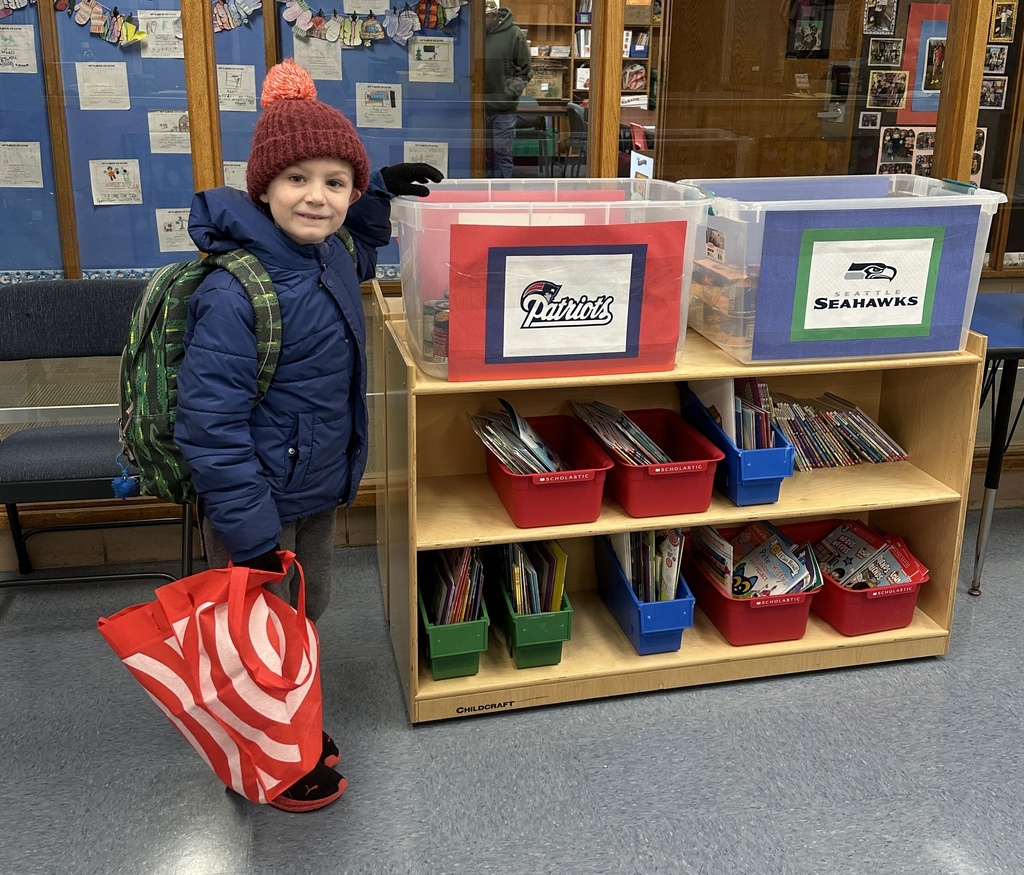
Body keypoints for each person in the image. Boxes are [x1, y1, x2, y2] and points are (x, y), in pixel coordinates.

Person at [174, 57, 441, 812]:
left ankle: (287, 727)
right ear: (263, 186)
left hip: (315, 481)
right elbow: (211, 426)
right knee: (257, 628)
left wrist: (380, 188)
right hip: (255, 502)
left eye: (334, 180)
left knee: (306, 606)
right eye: (297, 179)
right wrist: (252, 533)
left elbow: (360, 244)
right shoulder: (236, 289)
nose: (317, 197)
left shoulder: (324, 254)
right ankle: (267, 759)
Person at [484, 0, 532, 178]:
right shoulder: (475, 35)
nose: (480, 23)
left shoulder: (514, 34)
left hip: (503, 109)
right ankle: (483, 196)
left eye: (485, 18)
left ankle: (502, 196)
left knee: (502, 154)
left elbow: (525, 71)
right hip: (478, 107)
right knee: (482, 156)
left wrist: (509, 94)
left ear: (494, 16)